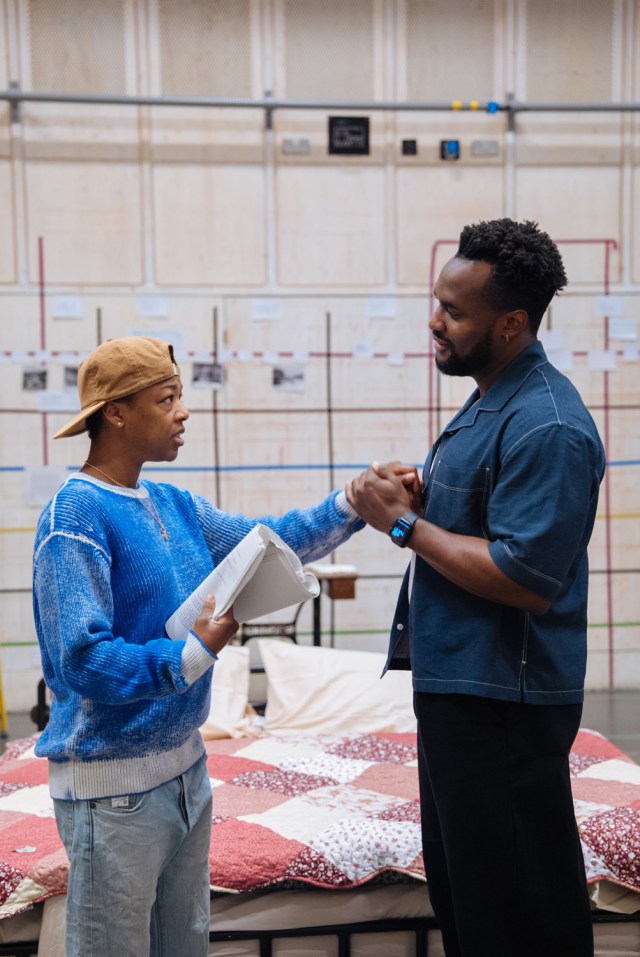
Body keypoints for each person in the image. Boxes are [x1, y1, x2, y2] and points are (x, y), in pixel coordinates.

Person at [32, 335, 365, 957]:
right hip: (112, 791)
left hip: (186, 774)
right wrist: (191, 654)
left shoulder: (173, 504)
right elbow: (81, 660)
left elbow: (270, 543)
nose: (183, 412)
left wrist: (353, 503)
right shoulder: (74, 516)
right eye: (167, 399)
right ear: (116, 413)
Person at [346, 218, 605, 957]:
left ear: (512, 323)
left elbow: (524, 576)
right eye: (439, 302)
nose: (436, 321)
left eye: (455, 311)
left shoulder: (548, 424)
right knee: (471, 905)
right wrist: (426, 500)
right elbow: (490, 525)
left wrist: (402, 525)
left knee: (515, 917)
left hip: (504, 706)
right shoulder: (495, 399)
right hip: (463, 693)